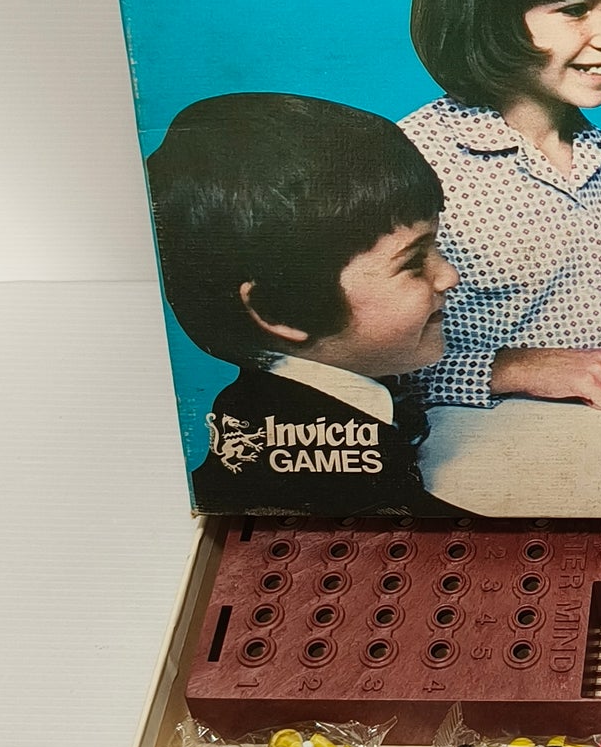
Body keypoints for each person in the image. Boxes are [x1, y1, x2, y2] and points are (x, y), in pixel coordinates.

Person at [403, 0, 601, 414]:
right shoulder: (414, 162)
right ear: (487, 9)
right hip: (468, 452)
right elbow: (357, 374)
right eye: (575, 8)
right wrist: (510, 368)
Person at [147, 93, 463, 517]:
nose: (449, 275)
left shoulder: (252, 407)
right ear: (280, 306)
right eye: (413, 261)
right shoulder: (318, 484)